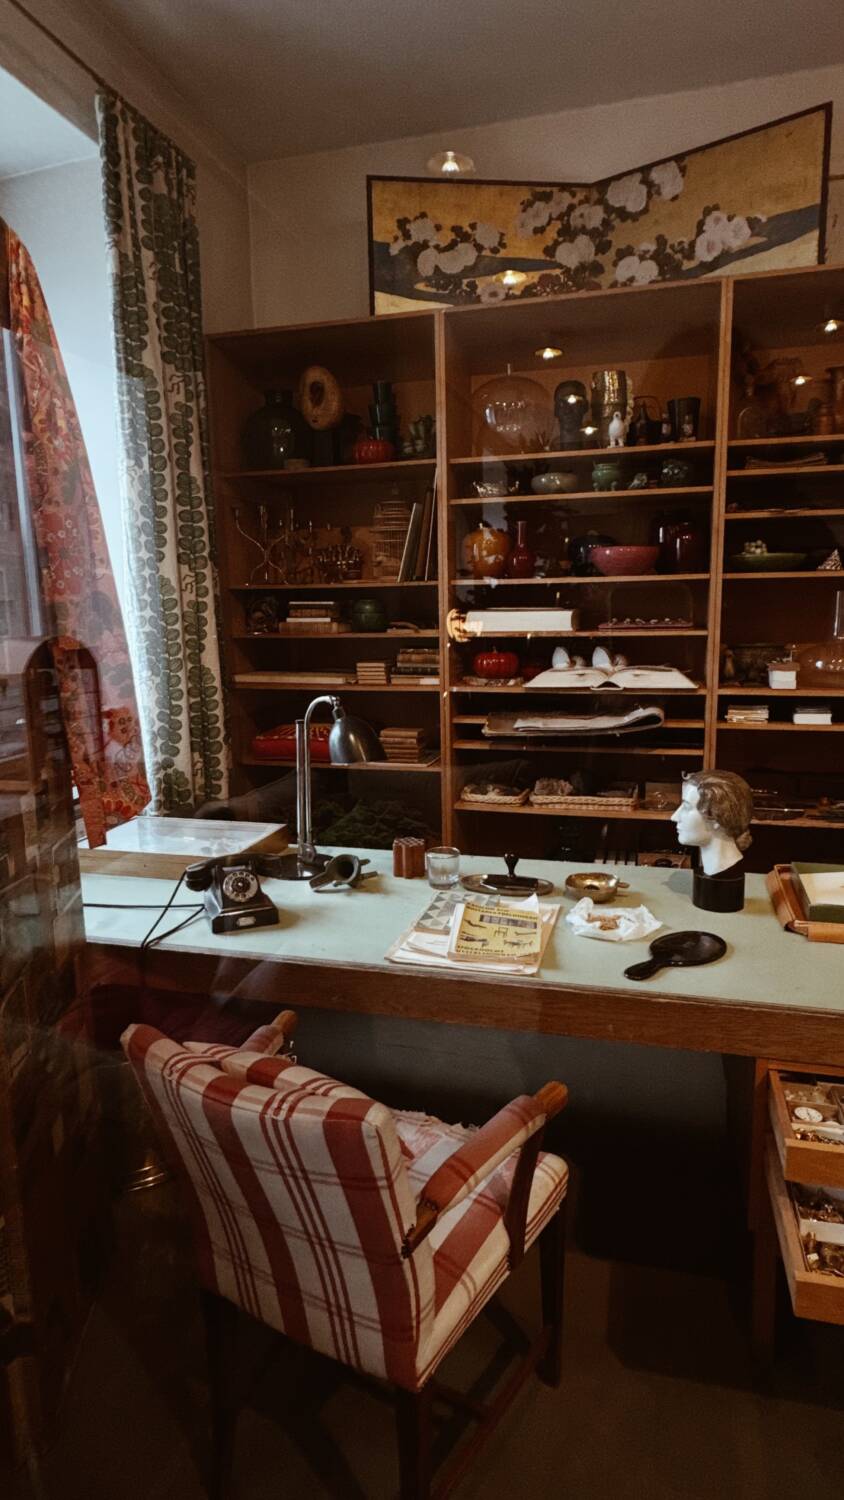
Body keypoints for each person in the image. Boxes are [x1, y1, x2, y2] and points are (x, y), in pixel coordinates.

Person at [671, 769, 753, 878]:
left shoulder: (725, 871)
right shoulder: (714, 868)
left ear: (717, 817)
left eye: (686, 807)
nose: (674, 817)